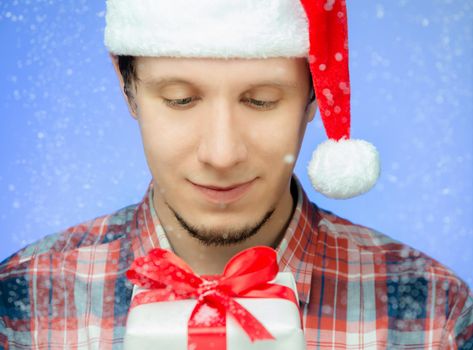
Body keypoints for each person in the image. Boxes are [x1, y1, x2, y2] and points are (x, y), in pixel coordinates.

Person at [1, 0, 472, 349]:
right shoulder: (24, 306)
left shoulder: (433, 314)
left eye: (261, 100)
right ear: (128, 89)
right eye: (180, 99)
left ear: (314, 95)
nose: (222, 154)